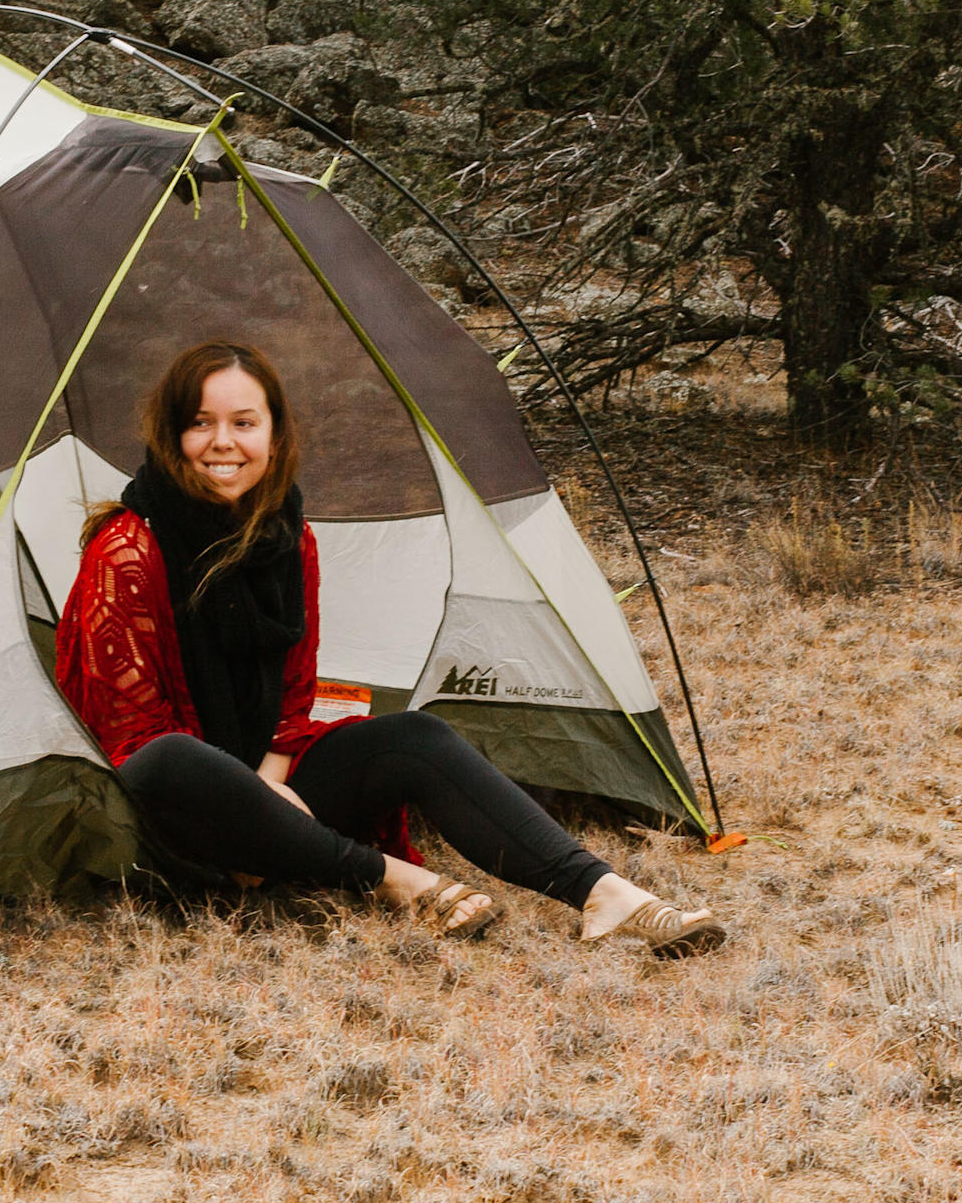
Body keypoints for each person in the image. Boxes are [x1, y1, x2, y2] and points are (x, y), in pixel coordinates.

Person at [52, 337, 724, 949]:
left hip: (258, 792)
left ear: (275, 435)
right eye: (200, 422)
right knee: (172, 757)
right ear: (172, 435)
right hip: (170, 813)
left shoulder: (290, 540)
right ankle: (397, 882)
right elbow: (131, 739)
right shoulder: (129, 549)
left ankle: (603, 894)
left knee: (414, 738)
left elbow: (292, 698)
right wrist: (249, 812)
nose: (221, 442)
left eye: (243, 423)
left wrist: (269, 797)